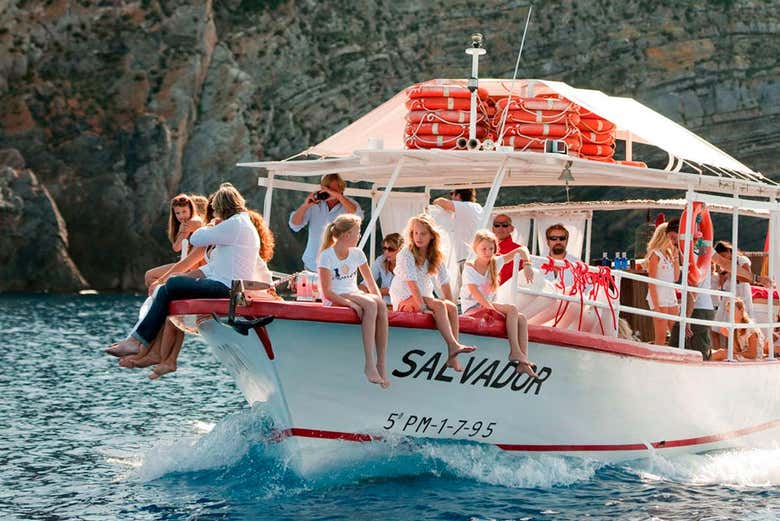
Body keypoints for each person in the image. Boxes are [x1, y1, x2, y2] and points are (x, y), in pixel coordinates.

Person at [106, 183, 259, 358]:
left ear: (223, 208)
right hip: (226, 285)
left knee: (171, 284)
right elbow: (212, 267)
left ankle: (138, 343)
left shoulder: (234, 224)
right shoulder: (241, 224)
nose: (215, 214)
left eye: (216, 210)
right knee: (167, 288)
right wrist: (184, 276)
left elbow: (197, 237)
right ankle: (136, 341)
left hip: (226, 288)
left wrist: (209, 226)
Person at [390, 213, 476, 371]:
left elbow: (444, 282)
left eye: (423, 233)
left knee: (449, 307)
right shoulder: (406, 253)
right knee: (439, 305)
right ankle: (453, 344)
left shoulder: (435, 255)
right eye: (415, 233)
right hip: (406, 296)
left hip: (424, 297)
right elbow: (412, 283)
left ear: (431, 236)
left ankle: (453, 355)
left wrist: (450, 304)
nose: (419, 237)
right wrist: (423, 308)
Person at [317, 214, 389, 388]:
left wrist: (382, 308)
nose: (359, 236)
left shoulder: (357, 253)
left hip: (352, 291)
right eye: (357, 233)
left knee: (379, 304)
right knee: (370, 305)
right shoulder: (327, 256)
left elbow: (371, 284)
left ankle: (381, 363)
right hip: (337, 296)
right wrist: (350, 304)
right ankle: (369, 364)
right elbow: (327, 292)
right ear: (346, 235)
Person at [460, 230, 537, 376]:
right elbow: (475, 293)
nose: (488, 252)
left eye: (491, 249)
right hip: (474, 307)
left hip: (488, 305)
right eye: (484, 249)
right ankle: (514, 351)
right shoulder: (470, 267)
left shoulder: (496, 262)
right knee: (512, 309)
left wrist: (527, 264)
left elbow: (522, 250)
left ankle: (523, 360)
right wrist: (493, 310)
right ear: (475, 248)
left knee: (522, 319)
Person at [289, 173, 362, 271]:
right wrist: (305, 206)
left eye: (333, 190)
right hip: (312, 264)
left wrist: (338, 196)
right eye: (327, 188)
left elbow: (357, 215)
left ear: (341, 189)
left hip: (336, 267)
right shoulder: (314, 204)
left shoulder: (348, 205)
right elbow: (294, 225)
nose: (329, 192)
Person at [667, 219, 716, 360]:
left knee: (685, 351)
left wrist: (686, 318)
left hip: (696, 310)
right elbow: (723, 263)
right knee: (689, 349)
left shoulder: (691, 252)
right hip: (705, 308)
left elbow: (693, 286)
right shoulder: (701, 247)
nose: (672, 242)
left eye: (673, 237)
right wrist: (755, 278)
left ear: (681, 234)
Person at [144, 194, 204, 287]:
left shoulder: (195, 221)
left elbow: (197, 222)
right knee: (149, 276)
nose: (181, 215)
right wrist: (182, 231)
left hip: (195, 267)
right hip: (185, 265)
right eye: (178, 213)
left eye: (184, 211)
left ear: (191, 210)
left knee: (152, 276)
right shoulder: (182, 226)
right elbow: (176, 247)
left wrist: (184, 229)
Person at [645, 222, 681, 345]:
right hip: (659, 297)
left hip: (670, 295)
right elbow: (651, 282)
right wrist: (656, 306)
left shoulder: (669, 255)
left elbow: (676, 277)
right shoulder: (655, 255)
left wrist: (676, 257)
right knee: (660, 336)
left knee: (676, 332)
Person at [432, 187, 484, 268]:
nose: (451, 197)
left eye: (452, 193)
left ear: (458, 195)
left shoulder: (464, 206)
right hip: (476, 255)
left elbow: (440, 202)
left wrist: (435, 201)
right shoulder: (477, 207)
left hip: (467, 257)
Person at [360, 232, 402, 306]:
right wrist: (363, 290)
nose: (386, 252)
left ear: (400, 250)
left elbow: (394, 290)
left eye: (391, 249)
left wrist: (371, 292)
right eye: (384, 248)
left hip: (401, 306)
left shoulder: (406, 263)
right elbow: (364, 283)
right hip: (383, 305)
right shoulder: (381, 260)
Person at [492, 213, 522, 285]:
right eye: (497, 225)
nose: (500, 228)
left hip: (508, 293)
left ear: (512, 229)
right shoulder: (485, 248)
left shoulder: (520, 250)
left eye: (505, 225)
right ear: (493, 229)